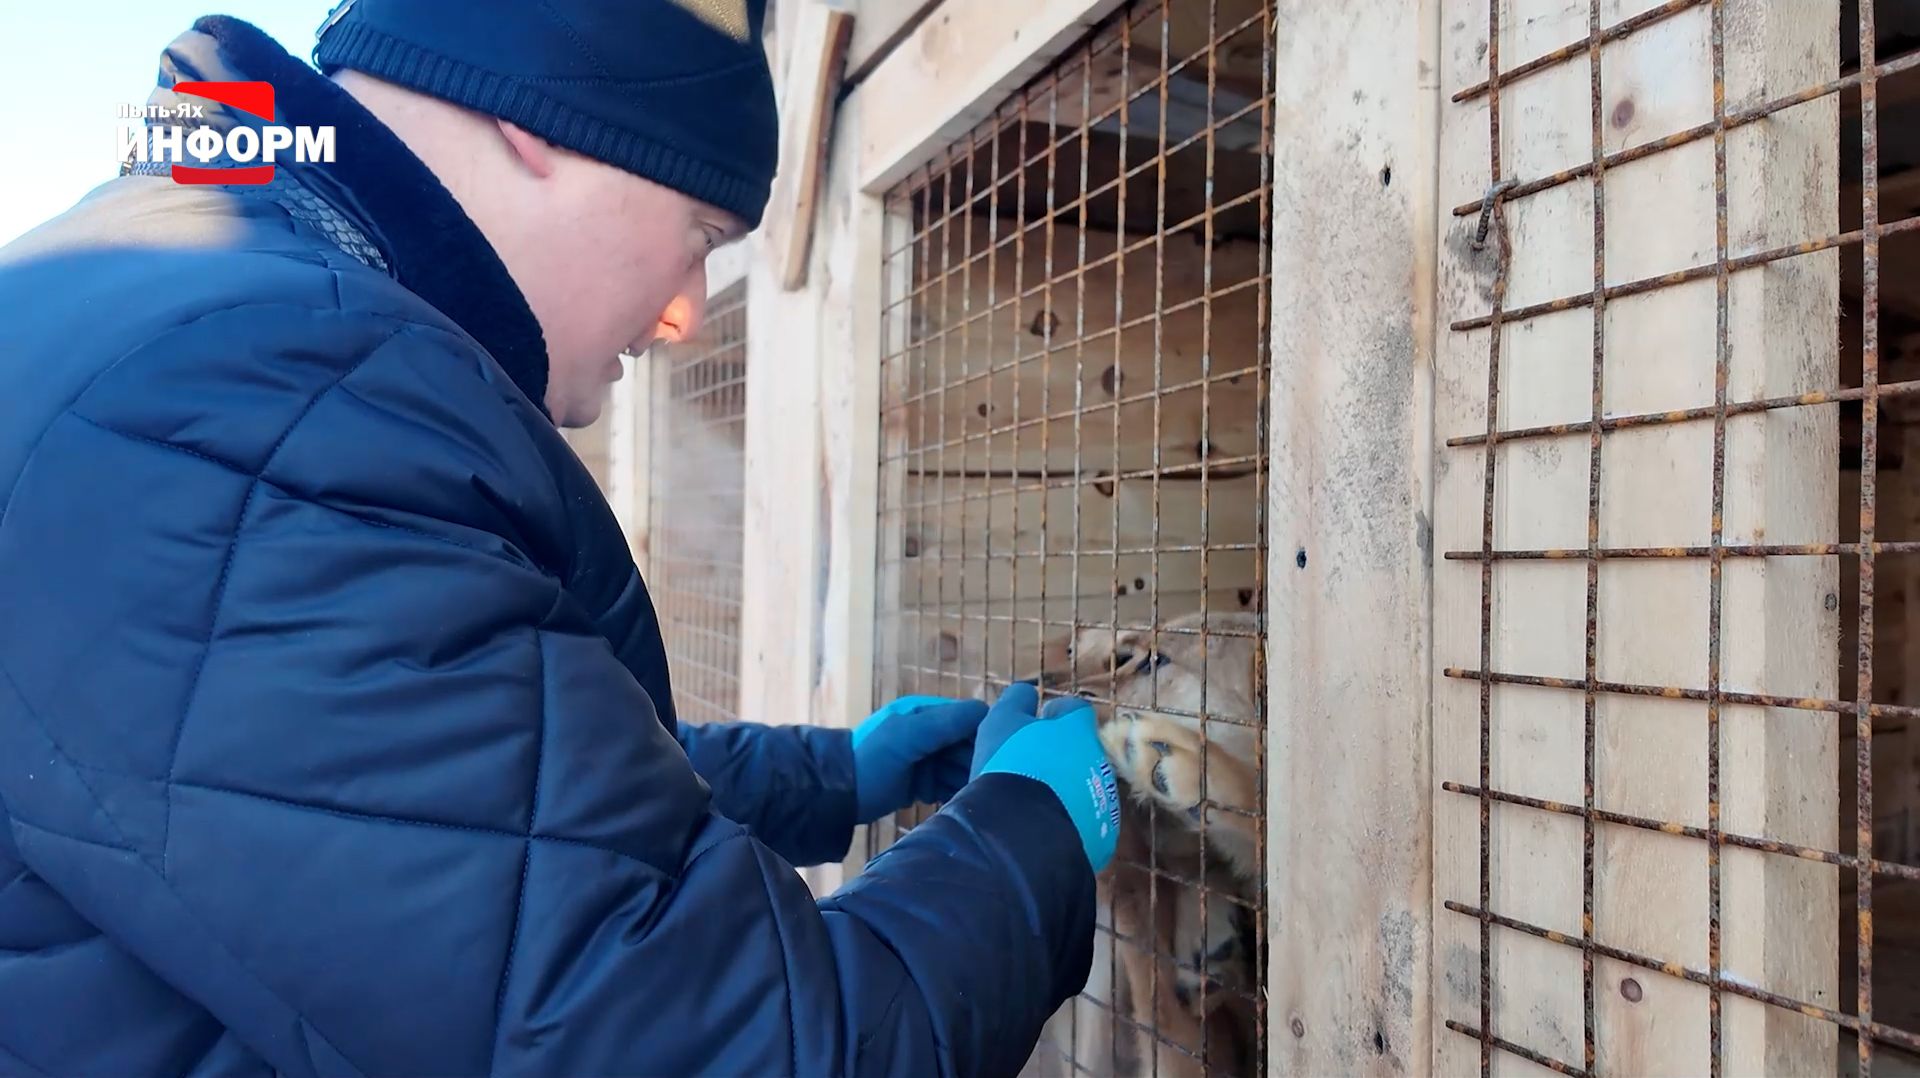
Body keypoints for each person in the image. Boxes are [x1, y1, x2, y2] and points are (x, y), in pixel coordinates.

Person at [0, 3, 1124, 1076]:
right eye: (699, 232)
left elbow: (441, 802)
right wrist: (1034, 838)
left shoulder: (196, 312)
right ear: (540, 116)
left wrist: (825, 775)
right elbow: (724, 1048)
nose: (688, 310)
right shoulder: (270, 412)